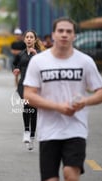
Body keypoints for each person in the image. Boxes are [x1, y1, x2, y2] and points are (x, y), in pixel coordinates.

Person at [23, 17, 102, 181]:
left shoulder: (85, 61)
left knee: (70, 174)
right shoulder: (39, 61)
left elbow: (100, 91)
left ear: (74, 35)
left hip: (76, 129)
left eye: (69, 31)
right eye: (60, 31)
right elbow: (28, 95)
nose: (64, 34)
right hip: (48, 131)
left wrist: (84, 101)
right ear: (53, 34)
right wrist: (57, 107)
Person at [12, 30, 43, 151]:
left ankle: (32, 135)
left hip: (35, 85)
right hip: (23, 84)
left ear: (35, 40)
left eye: (31, 37)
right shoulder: (20, 54)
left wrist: (36, 55)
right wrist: (15, 70)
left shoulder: (40, 54)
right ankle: (26, 130)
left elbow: (44, 66)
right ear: (24, 40)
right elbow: (15, 65)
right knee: (26, 107)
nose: (29, 39)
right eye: (27, 37)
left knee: (33, 110)